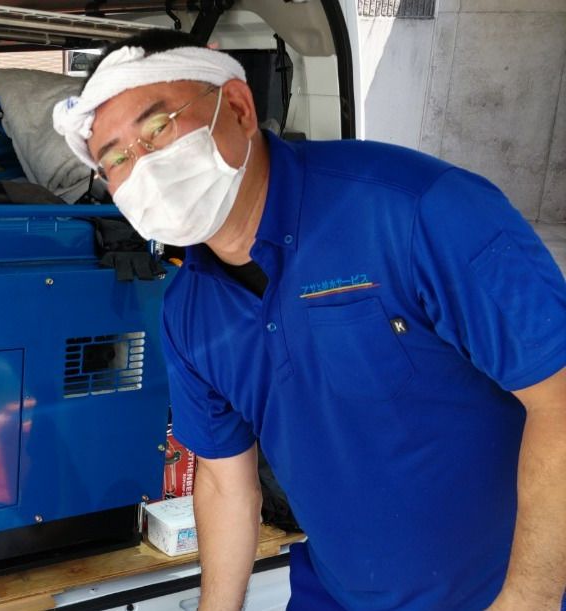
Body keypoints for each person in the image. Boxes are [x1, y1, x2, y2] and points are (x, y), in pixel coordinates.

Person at [53, 30, 566, 611]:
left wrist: (528, 598)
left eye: (157, 127)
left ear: (239, 107)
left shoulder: (418, 210)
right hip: (335, 594)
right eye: (116, 159)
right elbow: (224, 482)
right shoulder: (189, 312)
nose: (143, 166)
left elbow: (559, 399)